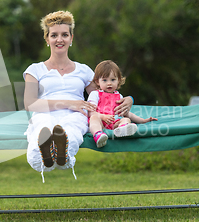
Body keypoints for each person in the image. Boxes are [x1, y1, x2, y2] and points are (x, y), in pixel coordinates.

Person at [23, 11, 133, 182]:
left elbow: (105, 95)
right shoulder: (34, 70)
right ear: (47, 39)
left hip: (75, 115)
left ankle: (61, 152)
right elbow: (30, 104)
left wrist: (128, 99)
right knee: (42, 130)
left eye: (64, 35)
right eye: (54, 35)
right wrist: (69, 103)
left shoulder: (84, 70)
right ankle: (48, 152)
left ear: (71, 38)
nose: (60, 39)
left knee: (72, 130)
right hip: (44, 113)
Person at [88, 60, 158, 148]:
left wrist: (143, 120)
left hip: (115, 122)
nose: (109, 83)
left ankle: (122, 129)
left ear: (118, 80)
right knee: (93, 118)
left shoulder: (119, 96)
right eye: (105, 80)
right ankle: (98, 134)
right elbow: (91, 112)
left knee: (126, 119)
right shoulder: (95, 94)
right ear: (98, 81)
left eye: (113, 79)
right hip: (101, 122)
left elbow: (126, 113)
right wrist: (103, 117)